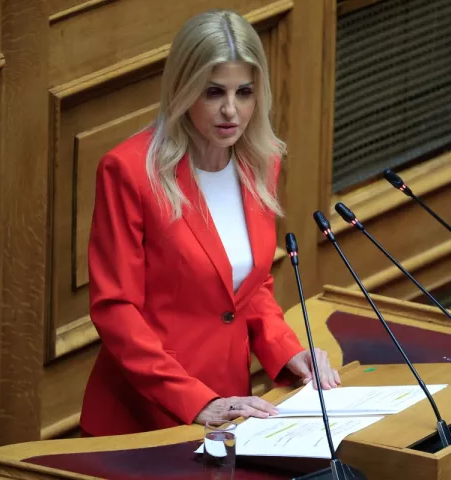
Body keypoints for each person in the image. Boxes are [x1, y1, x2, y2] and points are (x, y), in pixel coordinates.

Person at [80, 10, 340, 437]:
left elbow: (248, 289)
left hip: (231, 407)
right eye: (213, 91)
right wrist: (196, 400)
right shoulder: (130, 171)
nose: (230, 110)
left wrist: (288, 351)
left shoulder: (259, 163)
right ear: (183, 90)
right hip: (145, 416)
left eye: (244, 92)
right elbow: (116, 311)